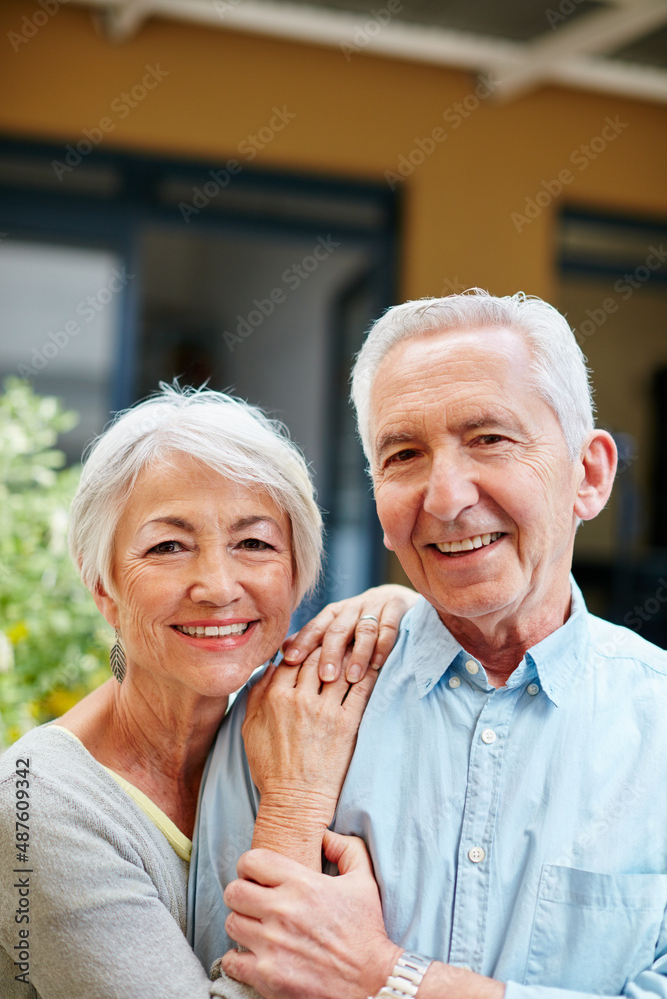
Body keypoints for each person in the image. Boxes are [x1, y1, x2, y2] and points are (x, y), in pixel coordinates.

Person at [190, 290, 667, 999]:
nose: (443, 498)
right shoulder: (291, 709)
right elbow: (212, 981)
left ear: (588, 475)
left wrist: (388, 980)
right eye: (403, 454)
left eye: (489, 439)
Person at [0, 384, 416, 999]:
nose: (218, 586)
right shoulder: (37, 809)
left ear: (299, 575)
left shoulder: (289, 714)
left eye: (254, 543)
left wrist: (398, 609)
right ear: (102, 585)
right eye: (169, 546)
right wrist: (292, 807)